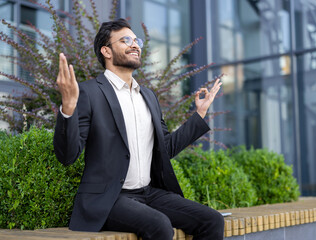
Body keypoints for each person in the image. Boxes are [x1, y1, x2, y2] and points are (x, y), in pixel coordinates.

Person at [53, 18, 224, 240]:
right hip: (110, 198)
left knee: (212, 220)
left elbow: (166, 148)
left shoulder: (148, 96)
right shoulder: (89, 93)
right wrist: (67, 107)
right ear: (106, 51)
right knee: (160, 225)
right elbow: (67, 155)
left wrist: (198, 115)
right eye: (126, 40)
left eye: (137, 40)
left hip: (149, 193)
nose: (135, 45)